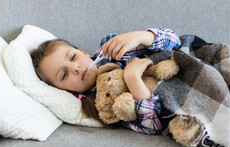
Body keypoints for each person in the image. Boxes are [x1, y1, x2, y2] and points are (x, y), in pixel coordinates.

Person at [31, 28, 181, 134]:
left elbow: (176, 42)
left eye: (73, 57)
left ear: (83, 52)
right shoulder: (101, 105)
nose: (75, 68)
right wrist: (132, 78)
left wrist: (140, 36)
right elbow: (156, 125)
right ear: (63, 90)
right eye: (64, 75)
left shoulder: (111, 50)